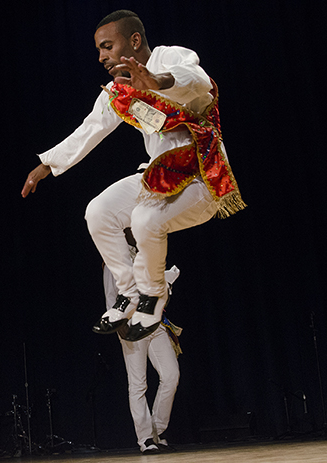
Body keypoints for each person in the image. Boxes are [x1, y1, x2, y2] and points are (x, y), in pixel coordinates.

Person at [21, 10, 245, 342]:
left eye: (107, 46)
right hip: (159, 178)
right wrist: (48, 165)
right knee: (98, 213)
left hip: (202, 178)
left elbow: (198, 83)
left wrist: (158, 82)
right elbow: (91, 128)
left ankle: (154, 295)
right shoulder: (119, 89)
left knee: (143, 219)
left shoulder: (169, 58)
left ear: (134, 40)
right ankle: (129, 293)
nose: (101, 57)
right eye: (99, 49)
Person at [102, 231, 183, 454]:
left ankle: (157, 430)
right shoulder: (114, 261)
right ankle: (146, 439)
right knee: (138, 384)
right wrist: (120, 327)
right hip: (131, 327)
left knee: (171, 375)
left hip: (154, 323)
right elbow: (111, 298)